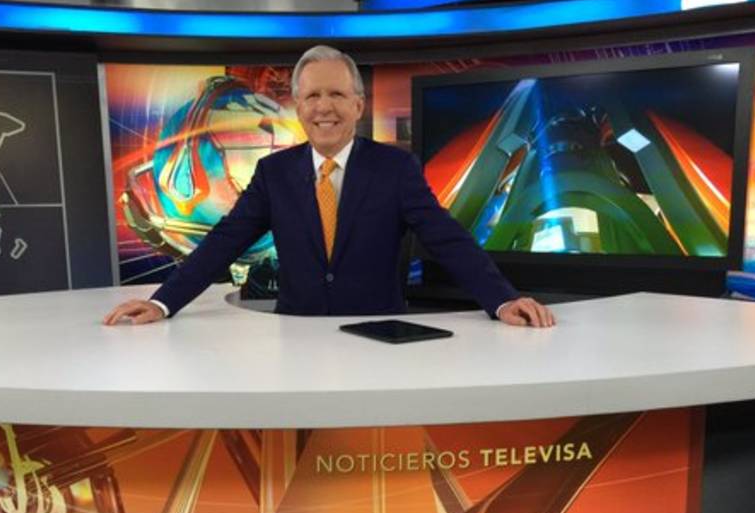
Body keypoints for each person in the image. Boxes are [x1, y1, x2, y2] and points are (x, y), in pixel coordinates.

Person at [103, 45, 555, 328]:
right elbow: (223, 243)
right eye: (313, 96)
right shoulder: (273, 173)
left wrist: (503, 301)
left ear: (358, 104)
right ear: (298, 106)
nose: (325, 107)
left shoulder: (395, 168)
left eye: (337, 94)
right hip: (297, 340)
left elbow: (447, 239)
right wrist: (163, 303)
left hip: (377, 339)